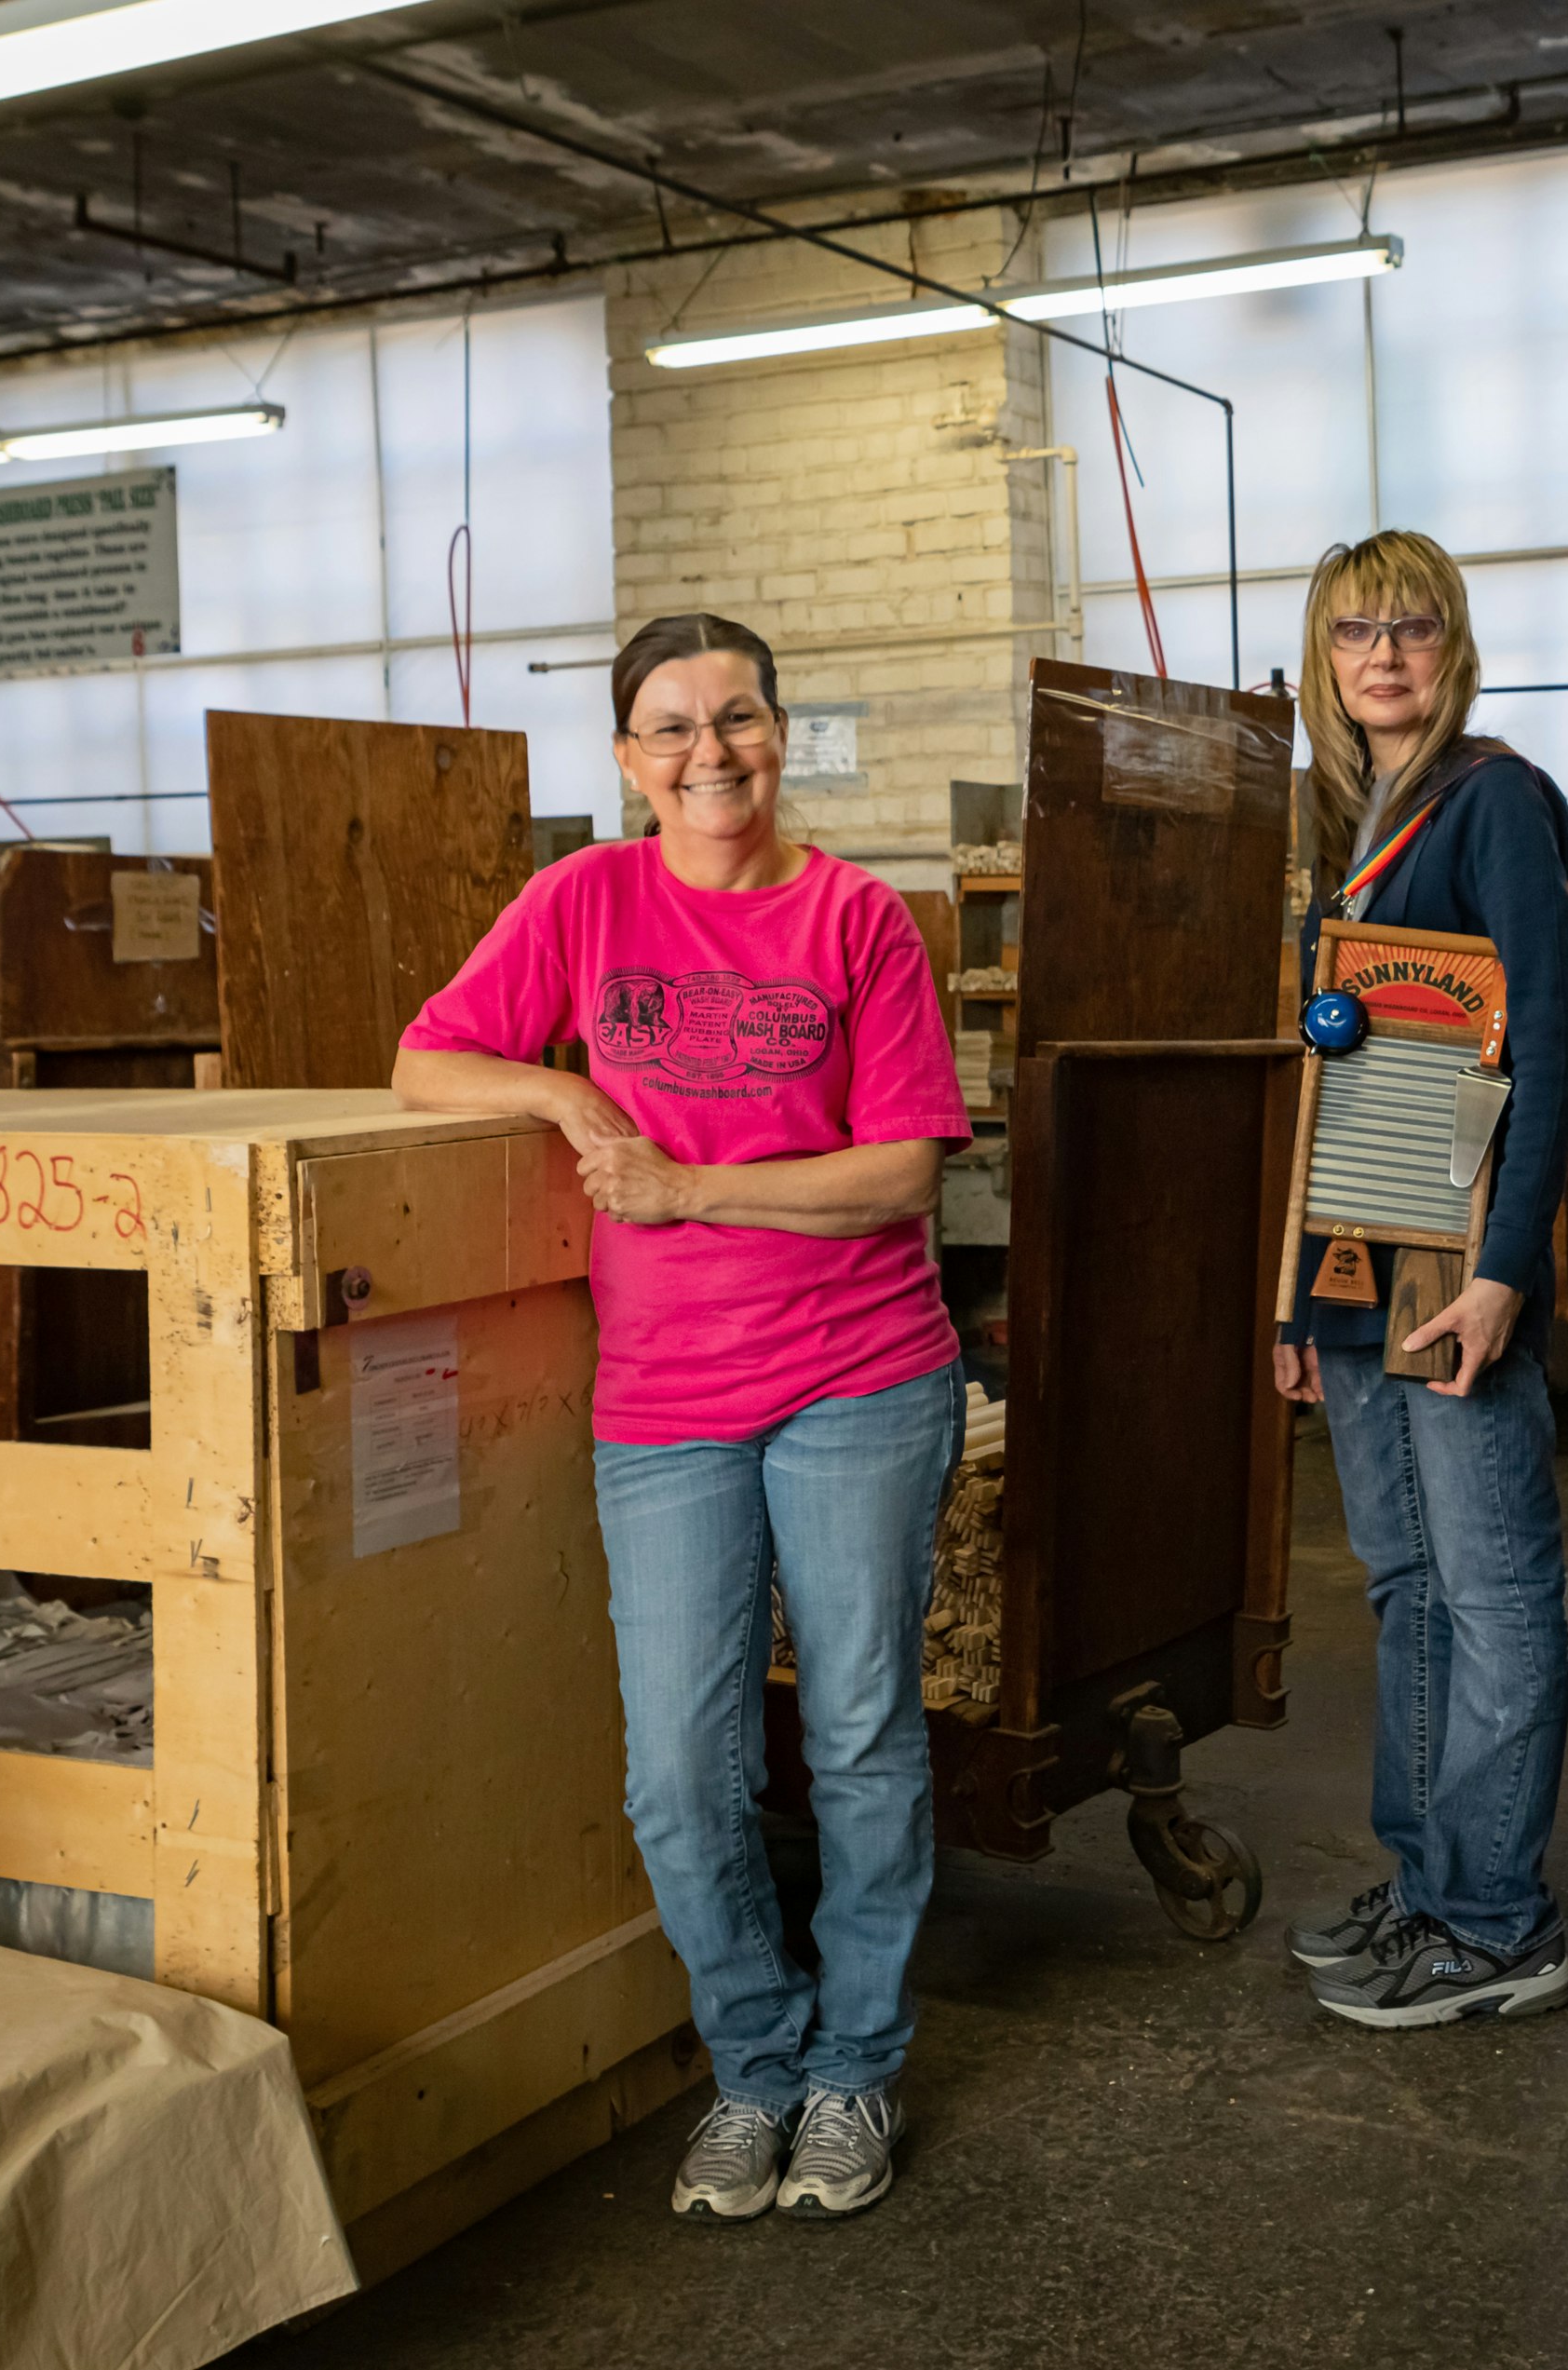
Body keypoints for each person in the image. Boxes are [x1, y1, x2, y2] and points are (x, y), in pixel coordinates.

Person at [393, 612, 972, 2225]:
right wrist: (562, 1091)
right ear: (628, 754)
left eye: (735, 718)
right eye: (671, 727)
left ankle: (855, 2060)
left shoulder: (857, 917)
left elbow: (904, 1173)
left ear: (780, 730)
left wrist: (684, 1184)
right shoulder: (583, 901)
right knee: (675, 1768)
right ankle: (755, 2062)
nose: (708, 752)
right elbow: (426, 1055)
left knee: (857, 1735)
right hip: (667, 1398)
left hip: (860, 1378)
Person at [1275, 528, 1568, 2029]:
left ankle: (1498, 1919)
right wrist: (1294, 1303)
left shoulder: (1495, 804)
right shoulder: (1343, 826)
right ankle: (1430, 1880)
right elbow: (1323, 1090)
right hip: (1357, 1266)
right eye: (1354, 633)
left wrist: (1511, 1275)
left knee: (1495, 1592)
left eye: (1410, 627)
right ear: (1323, 660)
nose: (1383, 654)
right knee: (1406, 1587)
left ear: (1449, 644)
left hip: (1456, 1269)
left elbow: (1553, 1051)